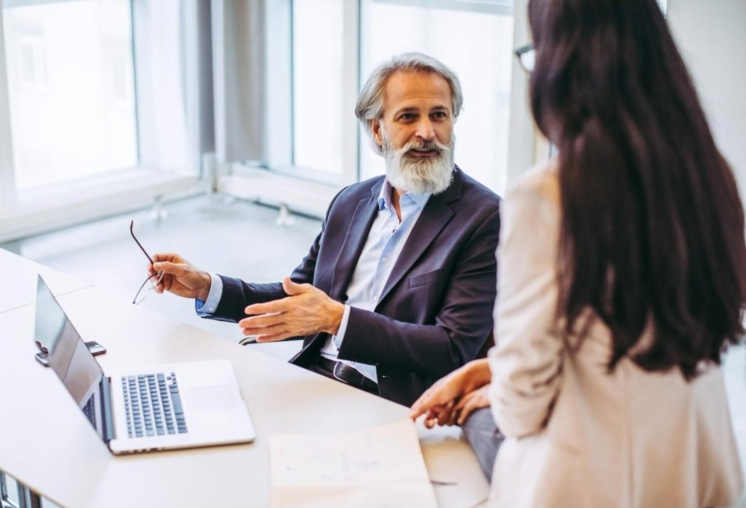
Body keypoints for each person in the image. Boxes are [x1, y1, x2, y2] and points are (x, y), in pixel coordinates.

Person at [410, 0, 746, 506]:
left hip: (595, 476)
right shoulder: (707, 173)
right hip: (694, 458)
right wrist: (491, 370)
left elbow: (524, 407)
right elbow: (627, 341)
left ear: (560, 64)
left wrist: (500, 390)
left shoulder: (549, 195)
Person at [149, 53, 501, 407]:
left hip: (390, 403)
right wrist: (207, 287)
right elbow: (298, 298)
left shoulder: (485, 217)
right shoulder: (351, 202)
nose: (427, 132)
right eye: (408, 116)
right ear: (378, 130)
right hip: (311, 379)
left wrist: (338, 320)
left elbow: (452, 348)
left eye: (439, 115)